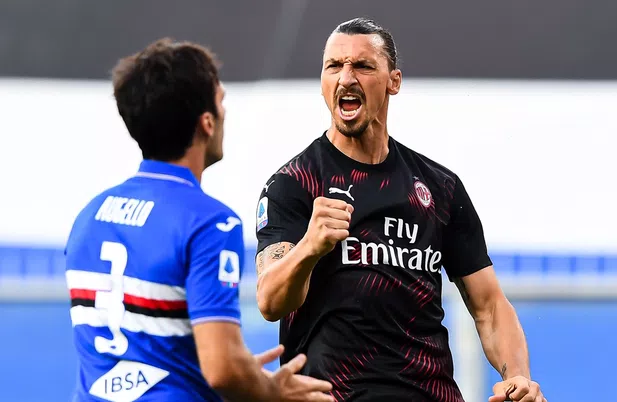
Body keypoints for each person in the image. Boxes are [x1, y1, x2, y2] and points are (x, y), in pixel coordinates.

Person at [254, 18, 546, 402]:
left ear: (393, 81)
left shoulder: (440, 187)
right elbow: (270, 302)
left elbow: (489, 306)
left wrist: (518, 377)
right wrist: (309, 247)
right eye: (334, 66)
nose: (346, 78)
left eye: (362, 66)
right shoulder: (294, 183)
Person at [64, 38, 334, 402]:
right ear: (206, 123)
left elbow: (151, 346)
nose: (225, 113)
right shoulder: (211, 223)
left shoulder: (90, 215)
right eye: (221, 102)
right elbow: (222, 369)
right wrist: (270, 391)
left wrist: (241, 370)